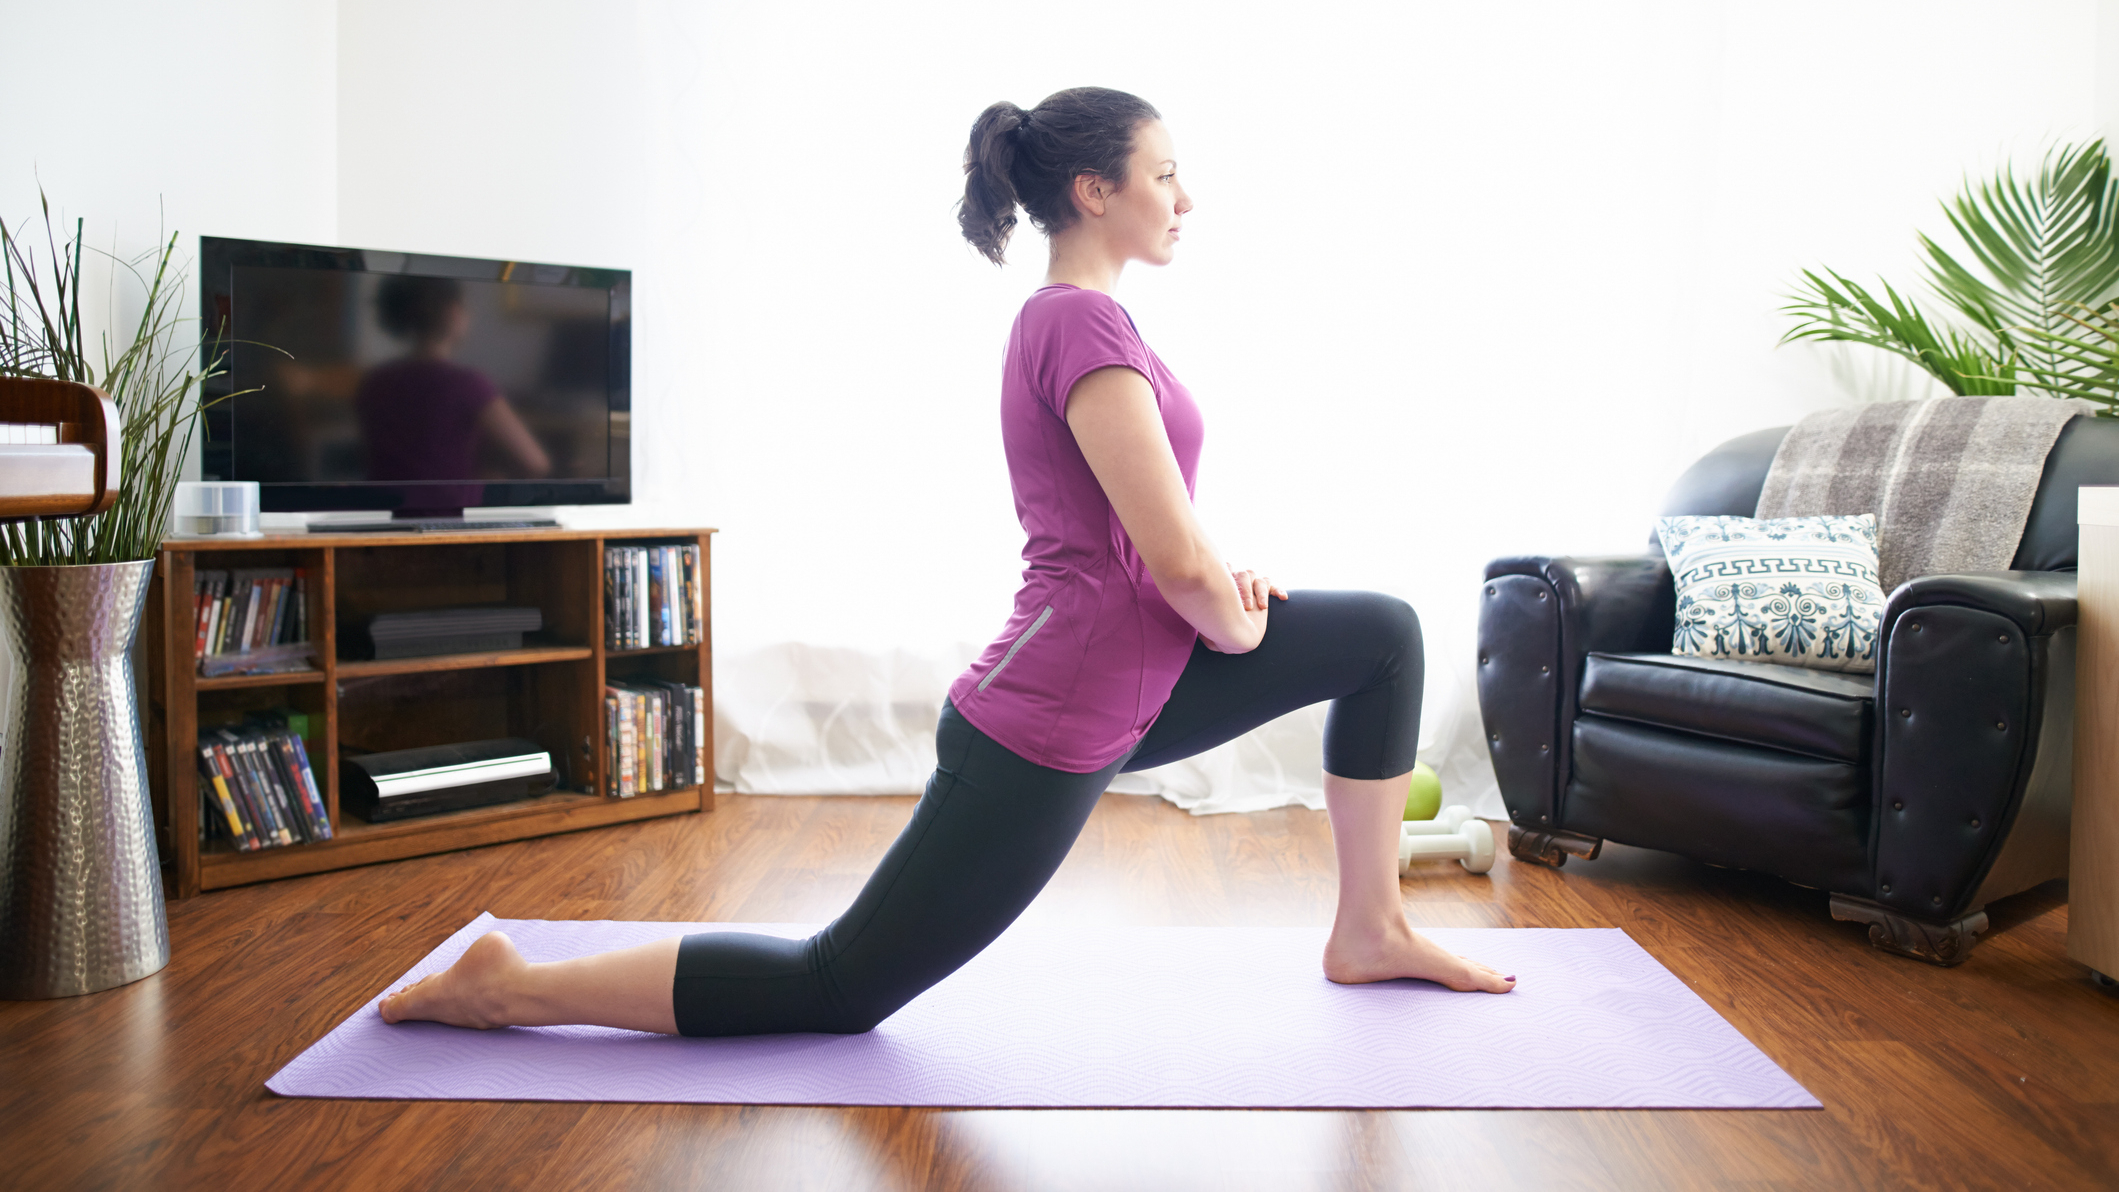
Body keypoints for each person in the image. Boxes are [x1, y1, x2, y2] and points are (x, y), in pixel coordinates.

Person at [379, 87, 1514, 1037]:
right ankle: (512, 989)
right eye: (1164, 174)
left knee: (1380, 635)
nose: (1185, 198)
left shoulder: (1096, 324)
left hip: (1132, 681)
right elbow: (1170, 562)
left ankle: (1370, 926)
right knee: (836, 986)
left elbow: (1153, 538)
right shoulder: (1078, 326)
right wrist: (1230, 613)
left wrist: (1232, 589)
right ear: (1093, 190)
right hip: (1053, 714)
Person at [355, 275, 552, 516]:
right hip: (450, 517)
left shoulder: (375, 382)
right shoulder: (467, 384)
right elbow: (534, 461)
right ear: (452, 312)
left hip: (380, 515)